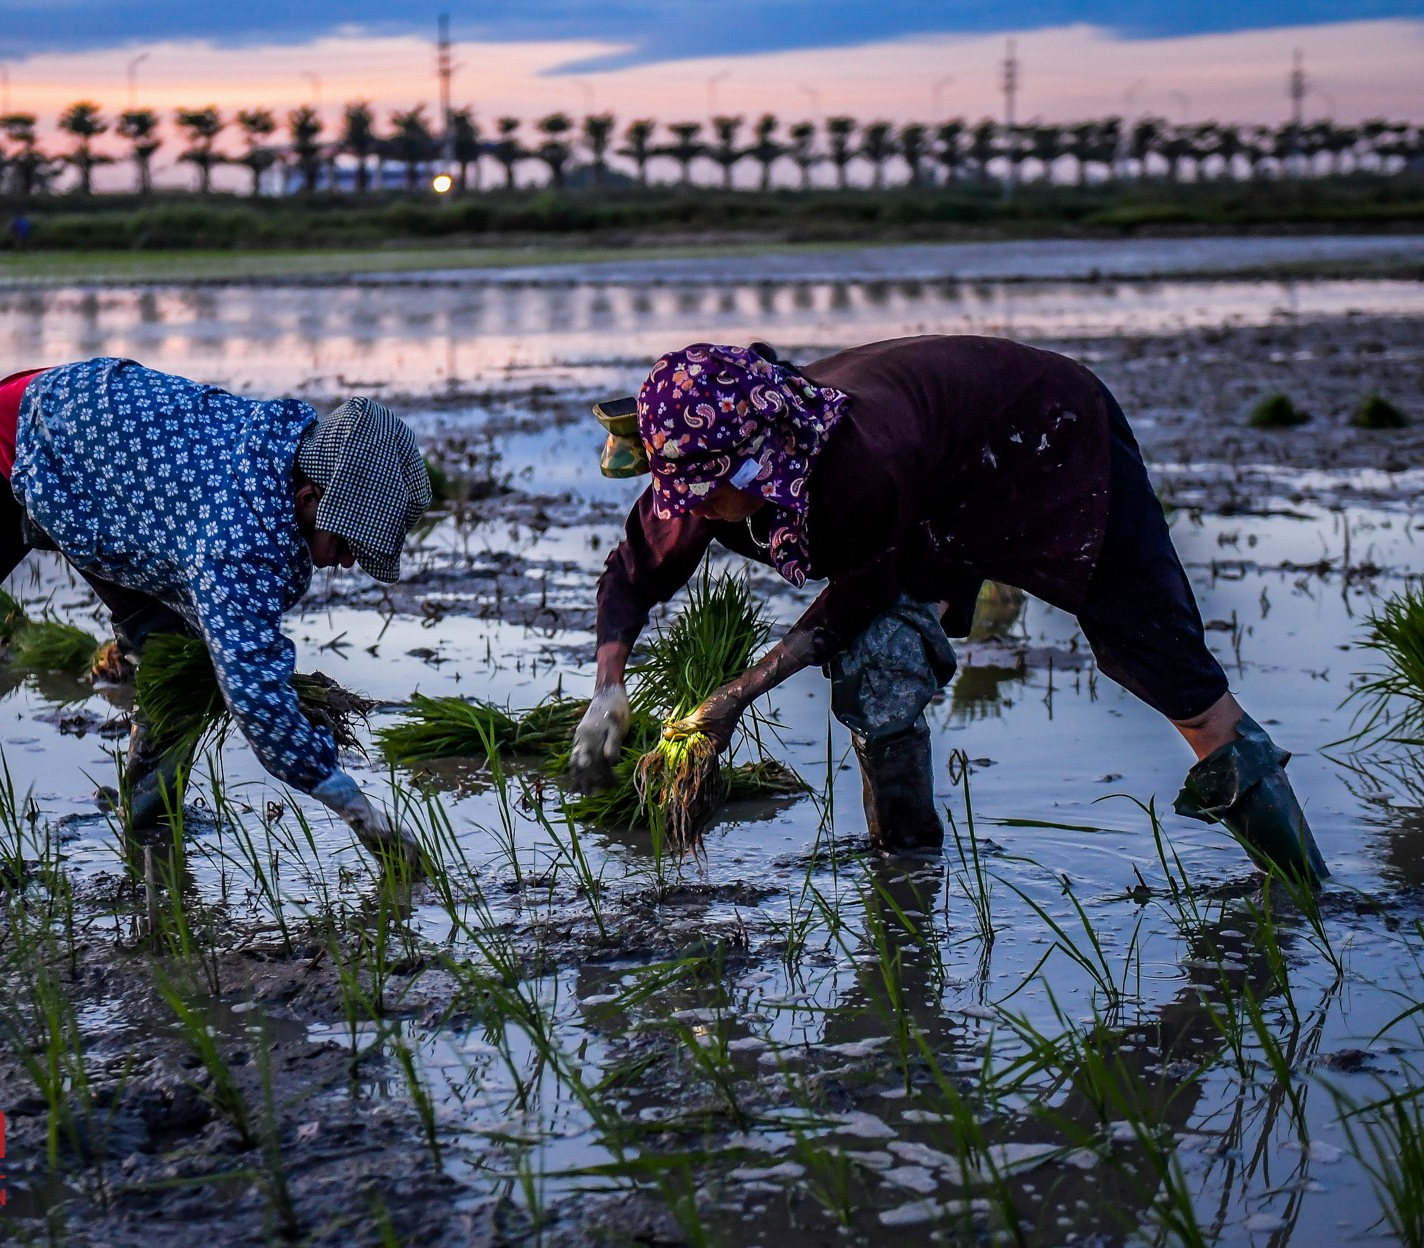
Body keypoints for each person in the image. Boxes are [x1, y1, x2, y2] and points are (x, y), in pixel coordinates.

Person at [567, 337, 1327, 883]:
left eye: (712, 488)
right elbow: (634, 573)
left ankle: (1307, 893)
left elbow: (853, 598)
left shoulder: (851, 467)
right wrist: (609, 687)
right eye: (686, 490)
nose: (699, 507)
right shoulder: (702, 455)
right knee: (879, 666)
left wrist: (728, 701)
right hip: (930, 483)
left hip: (1044, 437)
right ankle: (908, 872)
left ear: (761, 454)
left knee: (1163, 665)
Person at [0, 357, 429, 863]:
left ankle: (151, 827)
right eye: (346, 543)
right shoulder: (237, 534)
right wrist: (353, 806)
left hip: (98, 488)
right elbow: (257, 698)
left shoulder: (288, 454)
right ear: (308, 495)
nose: (346, 561)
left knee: (173, 658)